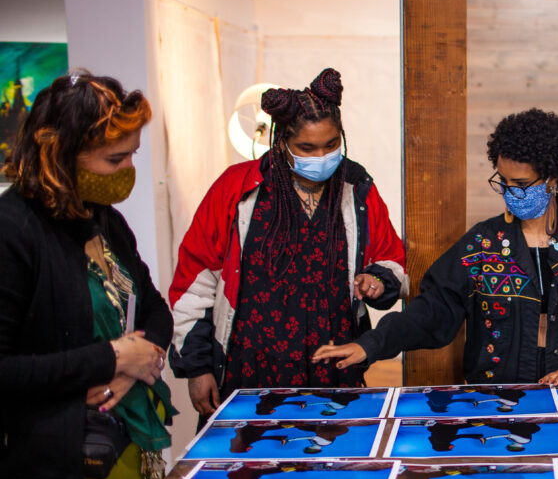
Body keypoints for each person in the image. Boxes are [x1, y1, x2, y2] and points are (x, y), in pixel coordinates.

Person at [0, 71, 175, 479]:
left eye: (132, 156)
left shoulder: (102, 219)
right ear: (60, 154)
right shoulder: (13, 232)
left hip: (126, 447)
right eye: (114, 160)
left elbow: (153, 307)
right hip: (63, 472)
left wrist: (130, 367)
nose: (129, 173)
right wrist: (111, 357)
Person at [313, 108, 558, 385]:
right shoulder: (484, 244)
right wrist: (372, 344)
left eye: (522, 184)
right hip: (498, 399)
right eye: (504, 182)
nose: (510, 192)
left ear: (552, 178)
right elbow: (433, 309)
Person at [168, 68, 406, 420]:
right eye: (307, 148)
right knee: (249, 469)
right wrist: (197, 367)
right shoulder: (236, 189)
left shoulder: (356, 188)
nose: (321, 156)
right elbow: (196, 281)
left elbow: (393, 261)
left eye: (331, 145)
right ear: (280, 141)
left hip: (333, 366)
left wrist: (378, 279)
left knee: (333, 464)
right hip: (250, 368)